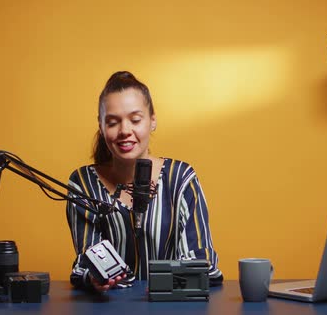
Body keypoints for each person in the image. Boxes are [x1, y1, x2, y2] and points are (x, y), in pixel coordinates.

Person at [66, 71, 223, 292]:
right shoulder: (83, 184)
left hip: (171, 308)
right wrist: (94, 278)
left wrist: (160, 286)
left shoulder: (180, 179)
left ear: (152, 121)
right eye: (112, 122)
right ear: (101, 127)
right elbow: (87, 260)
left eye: (135, 120)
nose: (125, 131)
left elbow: (203, 266)